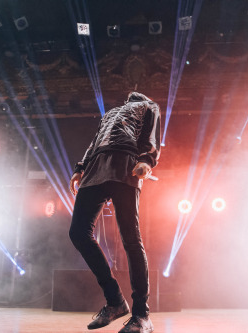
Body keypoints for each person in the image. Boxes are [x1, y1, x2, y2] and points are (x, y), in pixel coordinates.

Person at [69, 92, 161, 333]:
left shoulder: (148, 105)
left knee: (131, 238)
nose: (132, 94)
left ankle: (141, 315)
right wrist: (81, 167)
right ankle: (115, 301)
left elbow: (151, 132)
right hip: (96, 166)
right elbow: (96, 139)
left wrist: (148, 159)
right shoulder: (110, 113)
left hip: (126, 162)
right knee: (78, 233)